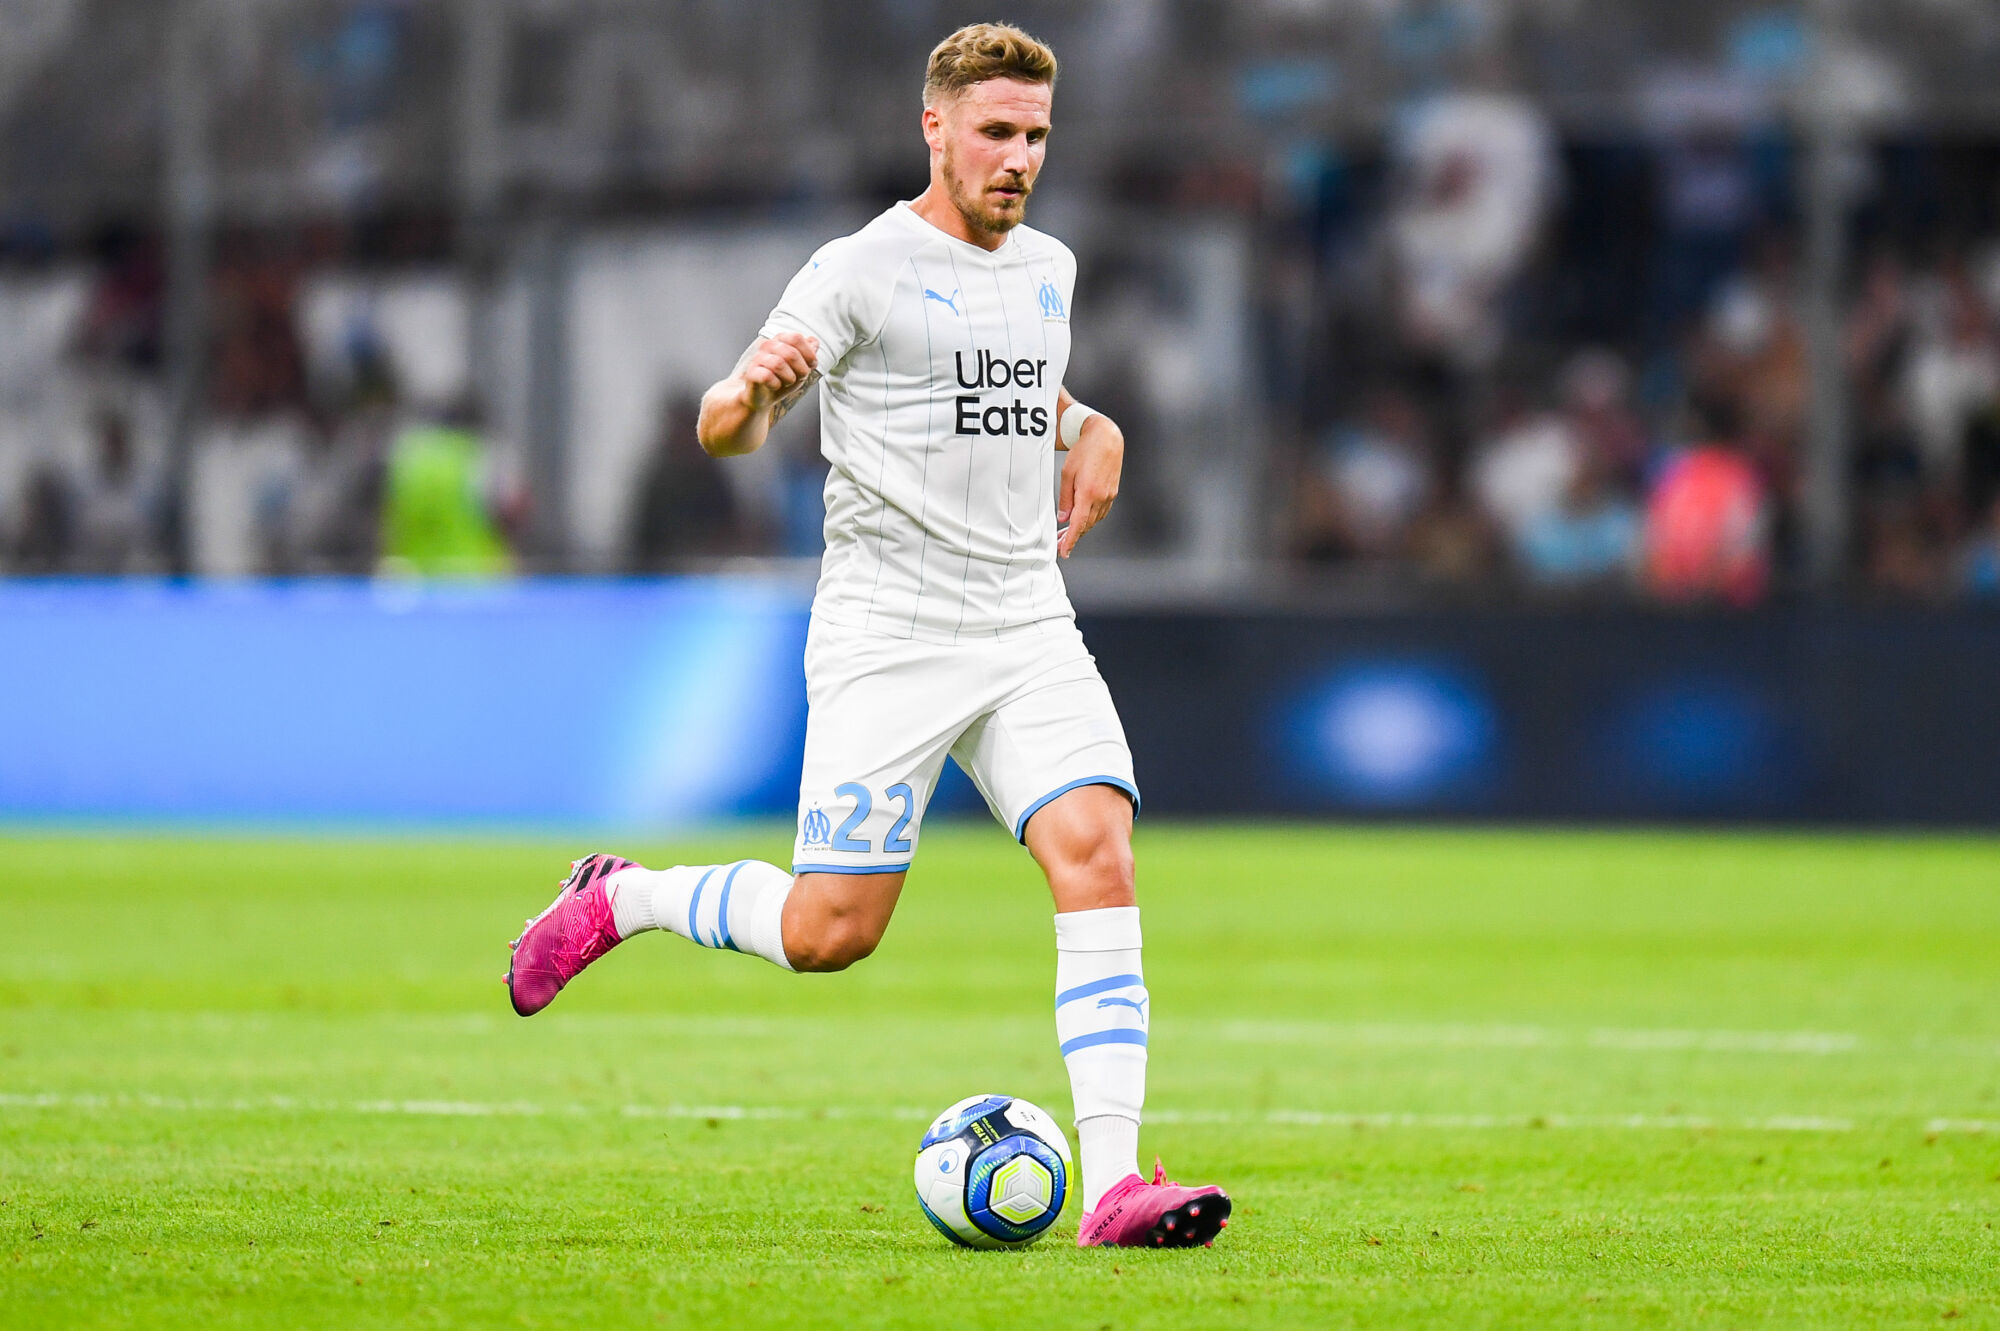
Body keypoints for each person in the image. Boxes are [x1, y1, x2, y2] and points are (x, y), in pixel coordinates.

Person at [504, 22, 1230, 1250]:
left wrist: (1087, 426)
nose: (1018, 158)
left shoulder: (1047, 269)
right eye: (995, 132)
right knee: (830, 931)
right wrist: (749, 398)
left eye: (1035, 136)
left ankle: (1113, 1185)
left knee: (1096, 850)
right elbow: (725, 422)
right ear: (934, 128)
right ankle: (626, 898)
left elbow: (1006, 388)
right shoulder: (857, 271)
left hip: (1024, 621)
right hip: (888, 634)